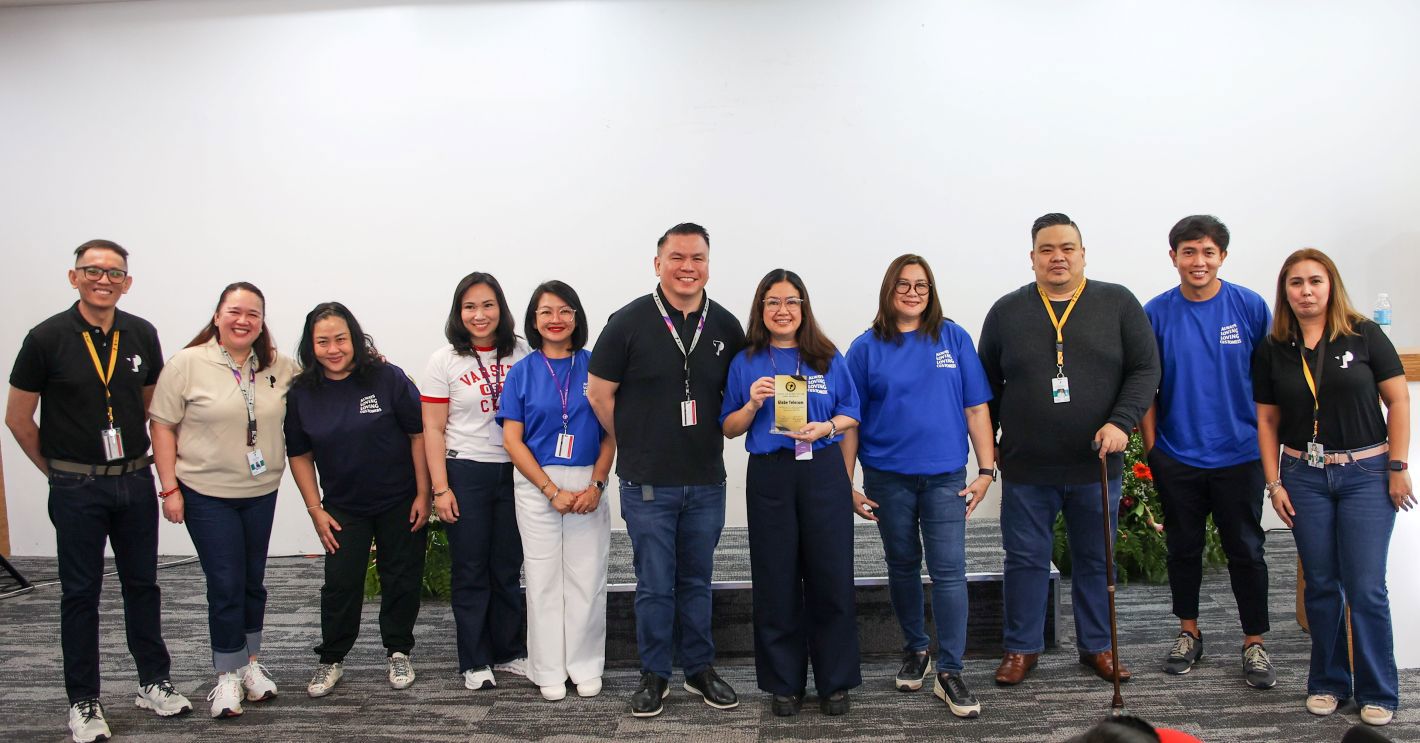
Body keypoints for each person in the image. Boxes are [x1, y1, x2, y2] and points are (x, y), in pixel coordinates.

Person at [5, 240, 192, 743]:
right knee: (81, 595)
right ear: (75, 277)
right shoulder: (45, 338)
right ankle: (83, 700)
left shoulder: (141, 333)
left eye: (114, 273)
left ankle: (153, 681)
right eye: (93, 270)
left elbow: (154, 409)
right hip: (76, 485)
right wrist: (57, 472)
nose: (103, 280)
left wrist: (163, 478)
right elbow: (18, 419)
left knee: (143, 587)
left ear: (127, 282)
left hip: (133, 479)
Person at [977, 213, 1160, 686]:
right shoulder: (1006, 312)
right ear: (1033, 257)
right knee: (1024, 559)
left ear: (1083, 253)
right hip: (1027, 464)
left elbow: (1145, 369)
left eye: (1067, 248)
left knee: (1097, 557)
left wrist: (1122, 422)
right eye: (1047, 249)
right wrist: (988, 447)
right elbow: (985, 385)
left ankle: (1097, 647)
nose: (1057, 257)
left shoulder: (1117, 303)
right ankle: (1022, 648)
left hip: (1096, 462)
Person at [587, 222, 747, 718]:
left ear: (708, 265)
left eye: (697, 258)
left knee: (698, 579)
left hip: (704, 479)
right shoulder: (627, 321)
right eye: (677, 257)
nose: (687, 267)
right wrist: (636, 439)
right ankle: (654, 674)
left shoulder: (724, 326)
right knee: (655, 582)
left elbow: (735, 402)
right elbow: (599, 394)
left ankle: (699, 668)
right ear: (657, 263)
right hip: (648, 482)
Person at [1253, 248, 1412, 727]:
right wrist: (1274, 483)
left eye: (1315, 281)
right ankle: (1327, 683)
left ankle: (1378, 691)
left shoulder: (1364, 333)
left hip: (1366, 473)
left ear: (1331, 285)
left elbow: (1399, 400)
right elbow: (1266, 419)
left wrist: (1398, 465)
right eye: (1296, 282)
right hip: (1303, 477)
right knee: (1321, 586)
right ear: (1285, 291)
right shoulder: (1273, 347)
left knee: (1365, 588)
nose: (1306, 291)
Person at [842, 254, 995, 718]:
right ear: (889, 290)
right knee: (903, 564)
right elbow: (849, 422)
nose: (913, 293)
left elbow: (976, 409)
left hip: (946, 476)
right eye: (904, 285)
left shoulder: (954, 337)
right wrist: (845, 483)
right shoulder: (865, 348)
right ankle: (917, 648)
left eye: (922, 286)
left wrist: (986, 469)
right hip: (888, 477)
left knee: (949, 570)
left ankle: (950, 671)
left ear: (931, 292)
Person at [149, 281, 297, 718]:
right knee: (226, 583)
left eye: (253, 313)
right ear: (217, 316)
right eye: (234, 311)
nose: (243, 320)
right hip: (206, 493)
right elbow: (161, 427)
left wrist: (372, 362)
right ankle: (226, 675)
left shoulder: (278, 366)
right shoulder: (186, 364)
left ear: (262, 321)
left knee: (253, 582)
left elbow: (329, 379)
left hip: (261, 491)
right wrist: (170, 488)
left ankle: (251, 664)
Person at [1140, 215, 1276, 687]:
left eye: (1208, 252)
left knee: (1247, 550)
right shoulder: (1155, 313)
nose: (1199, 262)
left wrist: (1266, 449)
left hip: (1240, 455)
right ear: (1173, 256)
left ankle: (1254, 641)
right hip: (1178, 455)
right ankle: (1188, 632)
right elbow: (1146, 388)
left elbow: (1270, 384)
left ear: (1222, 256)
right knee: (1183, 547)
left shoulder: (1250, 307)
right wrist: (1156, 450)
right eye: (1189, 252)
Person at [720, 269, 862, 717]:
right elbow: (728, 427)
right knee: (776, 578)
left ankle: (834, 683)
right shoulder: (747, 360)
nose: (783, 311)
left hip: (822, 469)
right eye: (774, 302)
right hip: (771, 474)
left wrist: (828, 427)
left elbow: (852, 411)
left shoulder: (826, 355)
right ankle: (784, 684)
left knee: (831, 576)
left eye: (792, 302)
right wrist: (752, 403)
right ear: (761, 309)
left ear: (804, 308)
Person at [284, 302, 430, 698]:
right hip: (343, 506)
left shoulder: (387, 378)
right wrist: (315, 509)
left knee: (401, 576)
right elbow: (299, 454)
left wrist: (423, 493)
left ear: (355, 338)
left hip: (400, 498)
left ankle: (398, 650)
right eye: (322, 341)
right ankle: (332, 658)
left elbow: (419, 434)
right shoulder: (302, 393)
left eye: (340, 339)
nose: (333, 349)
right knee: (340, 583)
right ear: (310, 345)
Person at [498, 281, 615, 701]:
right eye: (546, 312)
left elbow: (611, 433)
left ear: (577, 317)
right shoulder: (522, 372)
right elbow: (513, 440)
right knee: (544, 577)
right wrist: (549, 489)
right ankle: (546, 667)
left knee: (587, 576)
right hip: (537, 483)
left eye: (565, 311)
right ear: (533, 320)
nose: (556, 320)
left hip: (588, 481)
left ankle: (584, 664)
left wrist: (597, 484)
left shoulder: (596, 366)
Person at [420, 271, 530, 690]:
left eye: (488, 305)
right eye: (470, 307)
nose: (479, 314)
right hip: (466, 471)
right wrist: (440, 488)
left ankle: (508, 651)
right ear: (458, 312)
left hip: (517, 471)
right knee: (470, 568)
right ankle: (474, 660)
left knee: (507, 567)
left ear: (500, 309)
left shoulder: (521, 352)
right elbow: (432, 429)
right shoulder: (443, 361)